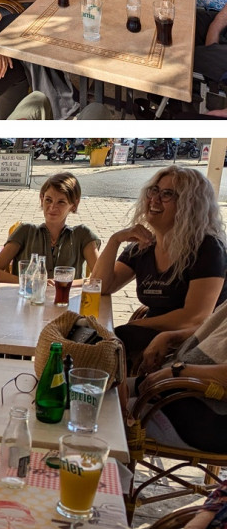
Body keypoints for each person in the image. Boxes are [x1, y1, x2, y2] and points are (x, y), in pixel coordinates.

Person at [90, 168, 227, 370]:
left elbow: (195, 316)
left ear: (190, 205)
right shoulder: (144, 245)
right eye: (154, 190)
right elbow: (101, 286)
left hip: (194, 343)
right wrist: (115, 240)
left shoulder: (206, 248)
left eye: (167, 194)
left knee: (107, 344)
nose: (154, 199)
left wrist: (134, 326)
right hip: (153, 332)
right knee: (88, 340)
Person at [127, 298, 227, 454]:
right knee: (101, 390)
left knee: (104, 411)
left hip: (210, 416)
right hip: (181, 390)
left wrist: (178, 371)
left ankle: (98, 473)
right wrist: (169, 336)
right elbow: (212, 327)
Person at [0, 172, 100, 283]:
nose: (52, 207)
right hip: (29, 297)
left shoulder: (82, 235)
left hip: (66, 299)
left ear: (74, 205)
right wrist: (29, 282)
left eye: (61, 202)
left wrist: (63, 283)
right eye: (48, 200)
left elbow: (100, 276)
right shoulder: (25, 231)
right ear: (42, 199)